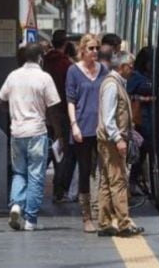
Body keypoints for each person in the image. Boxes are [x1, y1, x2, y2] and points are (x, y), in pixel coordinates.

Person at [0, 43, 61, 231]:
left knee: (19, 172)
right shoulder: (44, 78)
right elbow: (53, 107)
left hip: (17, 133)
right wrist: (58, 131)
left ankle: (17, 204)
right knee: (35, 175)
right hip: (37, 132)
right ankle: (31, 220)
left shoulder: (13, 76)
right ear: (40, 58)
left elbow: (1, 101)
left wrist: (14, 111)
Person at [65, 34, 108, 233]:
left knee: (102, 171)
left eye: (96, 48)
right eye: (91, 48)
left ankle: (102, 212)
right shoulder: (73, 71)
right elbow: (71, 100)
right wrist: (74, 125)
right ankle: (86, 217)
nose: (95, 52)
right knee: (84, 171)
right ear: (82, 50)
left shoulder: (103, 70)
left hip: (101, 128)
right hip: (82, 127)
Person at [96, 51, 142, 237]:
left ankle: (105, 222)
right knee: (119, 181)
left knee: (107, 182)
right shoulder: (112, 86)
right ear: (121, 67)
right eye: (130, 66)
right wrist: (118, 139)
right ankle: (124, 223)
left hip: (108, 141)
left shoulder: (114, 83)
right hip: (111, 142)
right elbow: (108, 118)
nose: (132, 70)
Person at [43, 31, 74, 202]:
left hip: (46, 113)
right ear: (66, 43)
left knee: (49, 150)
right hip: (62, 112)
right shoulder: (66, 65)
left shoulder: (45, 62)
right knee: (62, 152)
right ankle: (59, 189)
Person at [127, 48, 155, 189]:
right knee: (142, 149)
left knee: (145, 150)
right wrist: (143, 98)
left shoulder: (152, 75)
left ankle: (137, 179)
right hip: (141, 120)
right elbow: (127, 95)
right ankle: (133, 180)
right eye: (151, 61)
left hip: (152, 119)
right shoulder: (136, 76)